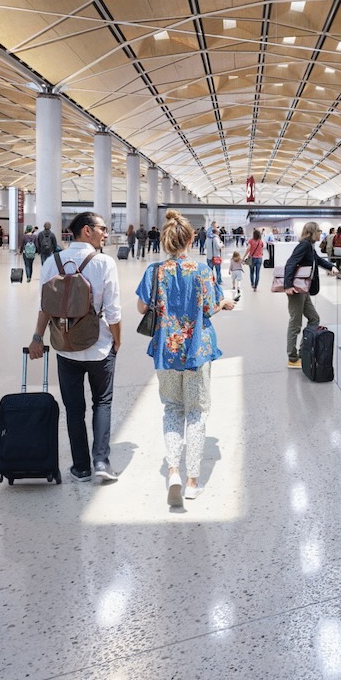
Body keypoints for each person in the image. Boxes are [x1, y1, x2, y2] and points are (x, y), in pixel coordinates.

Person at [136, 211, 234, 506]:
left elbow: (142, 308)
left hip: (167, 351)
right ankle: (193, 481)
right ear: (192, 238)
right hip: (197, 351)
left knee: (171, 410)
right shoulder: (202, 270)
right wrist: (225, 303)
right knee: (196, 412)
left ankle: (174, 472)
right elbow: (210, 307)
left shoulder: (154, 271)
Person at [27, 211, 121, 483]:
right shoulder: (104, 262)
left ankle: (80, 467)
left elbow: (46, 305)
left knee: (74, 409)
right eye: (102, 228)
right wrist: (117, 340)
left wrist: (37, 337)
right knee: (102, 402)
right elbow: (114, 311)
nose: (106, 233)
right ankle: (101, 461)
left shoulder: (52, 262)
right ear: (86, 231)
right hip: (99, 345)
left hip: (64, 346)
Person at [282, 223, 336, 368]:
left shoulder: (309, 247)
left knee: (314, 318)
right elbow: (290, 263)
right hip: (296, 290)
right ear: (312, 232)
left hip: (303, 290)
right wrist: (288, 285)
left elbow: (318, 260)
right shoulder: (304, 245)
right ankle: (292, 358)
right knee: (295, 322)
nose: (321, 233)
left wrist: (331, 267)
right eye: (319, 231)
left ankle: (302, 351)